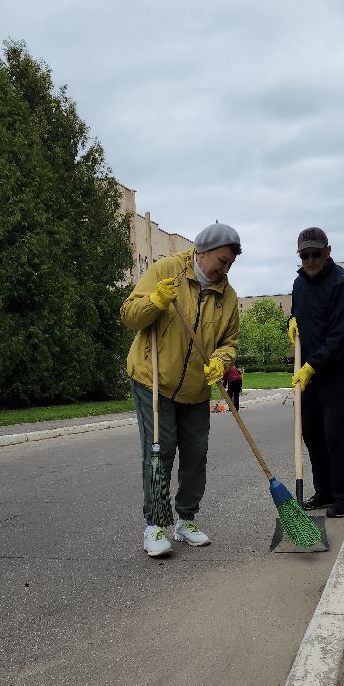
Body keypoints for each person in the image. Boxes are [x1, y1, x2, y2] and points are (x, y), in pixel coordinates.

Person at [121, 223, 241, 557]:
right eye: (222, 261)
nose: (225, 269)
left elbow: (229, 342)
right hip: (153, 378)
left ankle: (186, 520)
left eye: (230, 264)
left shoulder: (227, 296)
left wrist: (220, 359)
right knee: (160, 450)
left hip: (196, 388)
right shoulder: (166, 270)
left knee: (195, 455)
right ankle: (155, 525)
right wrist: (156, 301)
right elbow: (130, 315)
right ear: (202, 253)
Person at [288, 226, 344, 518]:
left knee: (336, 438)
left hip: (336, 378)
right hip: (309, 377)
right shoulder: (299, 284)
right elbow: (299, 315)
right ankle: (325, 491)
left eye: (316, 254)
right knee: (313, 436)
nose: (311, 260)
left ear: (328, 251)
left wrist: (313, 365)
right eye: (305, 255)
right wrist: (292, 322)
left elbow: (340, 336)